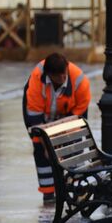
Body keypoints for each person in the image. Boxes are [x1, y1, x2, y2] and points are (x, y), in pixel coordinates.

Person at [22, 53, 91, 202]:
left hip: (69, 115)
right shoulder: (36, 80)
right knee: (40, 149)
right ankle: (48, 193)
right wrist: (46, 146)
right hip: (42, 116)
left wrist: (62, 140)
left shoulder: (80, 80)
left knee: (74, 146)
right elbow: (35, 118)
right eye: (57, 76)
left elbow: (78, 116)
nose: (62, 79)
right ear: (48, 75)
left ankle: (77, 189)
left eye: (63, 74)